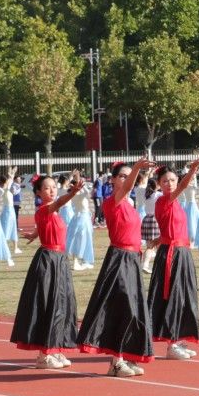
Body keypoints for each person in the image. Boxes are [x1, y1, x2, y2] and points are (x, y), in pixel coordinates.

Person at [78, 159, 157, 376]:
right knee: (123, 308)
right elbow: (128, 187)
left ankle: (125, 356)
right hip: (119, 258)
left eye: (128, 176)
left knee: (134, 310)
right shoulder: (112, 200)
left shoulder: (130, 204)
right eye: (122, 176)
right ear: (112, 180)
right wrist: (137, 168)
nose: (126, 179)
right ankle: (116, 362)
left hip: (132, 258)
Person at [12, 172, 83, 370]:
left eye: (53, 187)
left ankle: (55, 347)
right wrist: (72, 192)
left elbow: (46, 222)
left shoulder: (50, 212)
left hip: (60, 260)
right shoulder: (46, 208)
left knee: (61, 305)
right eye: (46, 188)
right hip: (49, 261)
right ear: (38, 192)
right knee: (49, 305)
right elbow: (58, 203)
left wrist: (34, 234)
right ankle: (44, 355)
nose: (51, 190)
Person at [148, 158, 199, 360]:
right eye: (165, 181)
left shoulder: (175, 203)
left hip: (182, 252)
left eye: (172, 180)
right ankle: (171, 345)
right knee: (174, 297)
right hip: (172, 255)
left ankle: (178, 339)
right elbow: (183, 186)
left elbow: (170, 229)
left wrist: (157, 239)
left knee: (185, 296)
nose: (169, 184)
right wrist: (193, 170)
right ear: (159, 184)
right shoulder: (164, 200)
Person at [65, 176, 96, 271]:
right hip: (83, 218)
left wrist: (76, 182)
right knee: (85, 239)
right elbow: (87, 192)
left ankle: (76, 261)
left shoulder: (72, 195)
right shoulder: (79, 195)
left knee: (75, 240)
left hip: (76, 218)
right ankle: (84, 261)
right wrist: (82, 184)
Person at [0, 168, 21, 255]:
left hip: (10, 209)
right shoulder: (4, 188)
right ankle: (4, 248)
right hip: (8, 210)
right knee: (6, 229)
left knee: (13, 228)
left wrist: (12, 173)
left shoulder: (5, 187)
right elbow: (10, 181)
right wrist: (12, 174)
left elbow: (10, 180)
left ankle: (15, 248)